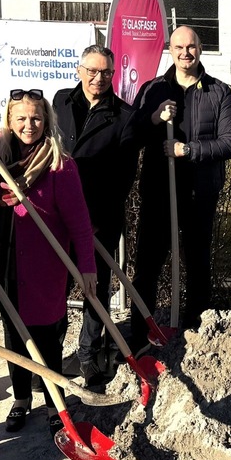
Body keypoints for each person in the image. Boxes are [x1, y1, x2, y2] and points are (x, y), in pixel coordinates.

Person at [0, 89, 97, 433]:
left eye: (36, 118)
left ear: (47, 120)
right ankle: (21, 398)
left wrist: (87, 266)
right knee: (14, 330)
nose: (29, 125)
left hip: (44, 264)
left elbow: (80, 223)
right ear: (9, 120)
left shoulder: (58, 164)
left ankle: (54, 401)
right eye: (21, 118)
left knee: (46, 332)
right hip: (3, 256)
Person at [131, 26, 231, 340]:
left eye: (191, 47)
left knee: (197, 265)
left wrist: (187, 150)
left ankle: (195, 333)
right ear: (170, 49)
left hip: (199, 194)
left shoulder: (217, 92)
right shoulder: (153, 89)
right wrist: (153, 118)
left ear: (200, 49)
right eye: (179, 47)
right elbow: (131, 134)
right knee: (148, 265)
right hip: (158, 192)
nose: (185, 53)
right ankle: (141, 334)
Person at [53, 45, 140, 385]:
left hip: (99, 216)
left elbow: (124, 175)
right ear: (79, 71)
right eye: (91, 70)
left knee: (95, 284)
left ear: (113, 75)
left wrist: (96, 218)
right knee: (56, 285)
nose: (98, 78)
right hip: (57, 215)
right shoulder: (60, 102)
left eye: (105, 72)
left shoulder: (124, 116)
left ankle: (89, 354)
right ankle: (51, 354)